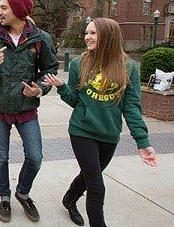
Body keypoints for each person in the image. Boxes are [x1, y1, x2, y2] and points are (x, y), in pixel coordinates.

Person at [42, 17, 158, 227]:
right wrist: (61, 87)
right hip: (82, 131)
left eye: (93, 33)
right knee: (96, 186)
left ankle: (69, 198)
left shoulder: (128, 68)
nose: (87, 37)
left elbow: (131, 107)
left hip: (109, 134)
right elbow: (75, 100)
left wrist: (143, 141)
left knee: (88, 176)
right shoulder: (79, 63)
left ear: (108, 35)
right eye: (87, 33)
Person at [0, 0, 59, 223]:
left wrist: (40, 88)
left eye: (4, 7)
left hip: (26, 108)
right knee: (1, 158)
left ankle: (22, 192)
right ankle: (4, 197)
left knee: (35, 157)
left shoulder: (41, 39)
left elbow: (50, 70)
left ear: (19, 10)